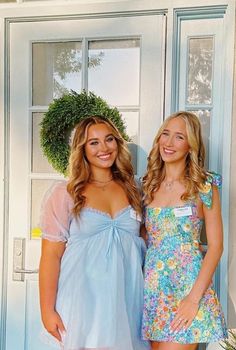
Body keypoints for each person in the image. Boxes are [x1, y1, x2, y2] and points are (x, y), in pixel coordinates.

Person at [39, 115, 150, 350]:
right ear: (82, 149)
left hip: (126, 299)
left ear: (118, 144)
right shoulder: (66, 193)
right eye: (94, 142)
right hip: (82, 299)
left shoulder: (135, 189)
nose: (104, 148)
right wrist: (47, 310)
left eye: (109, 139)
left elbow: (147, 241)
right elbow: (51, 256)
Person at [141, 111, 227, 350]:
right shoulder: (147, 185)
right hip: (154, 291)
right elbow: (142, 238)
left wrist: (192, 299)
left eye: (179, 137)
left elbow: (216, 247)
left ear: (191, 145)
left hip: (188, 290)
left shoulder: (205, 186)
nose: (168, 143)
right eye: (165, 134)